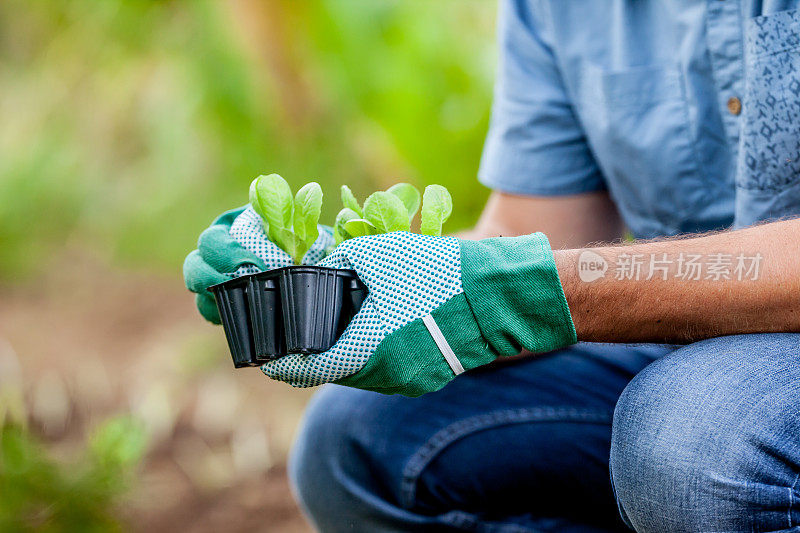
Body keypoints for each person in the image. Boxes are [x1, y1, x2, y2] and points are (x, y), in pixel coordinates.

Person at [183, 1, 800, 531]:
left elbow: (530, 283)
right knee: (362, 439)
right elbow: (537, 233)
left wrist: (514, 294)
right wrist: (340, 278)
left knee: (694, 441)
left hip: (718, 398)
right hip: (687, 355)